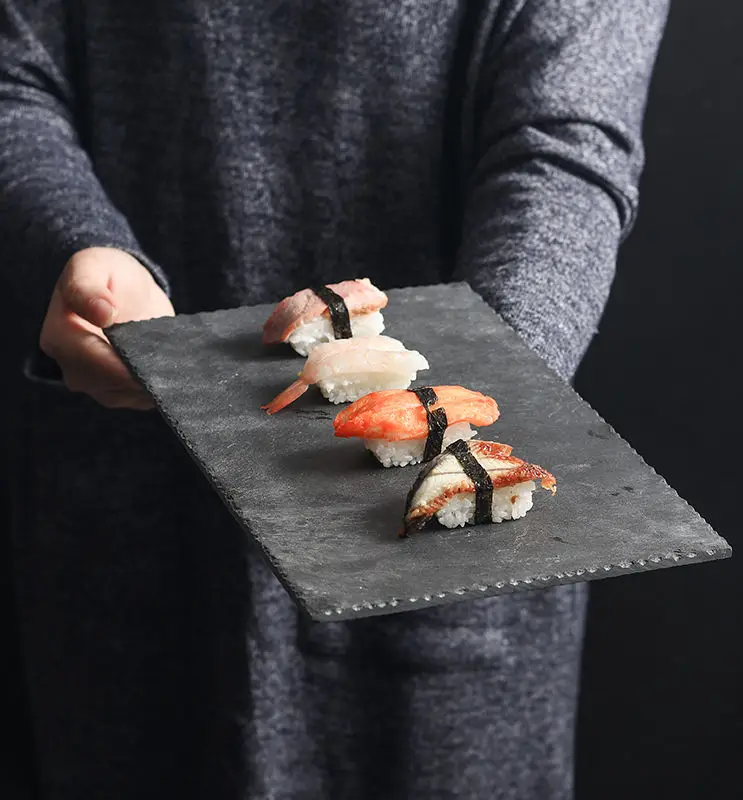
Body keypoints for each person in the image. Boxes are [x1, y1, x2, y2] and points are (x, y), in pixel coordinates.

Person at [0, 1, 668, 798]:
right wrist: (72, 240)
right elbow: (14, 73)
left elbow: (562, 143)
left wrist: (481, 391)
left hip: (433, 562)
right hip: (133, 518)